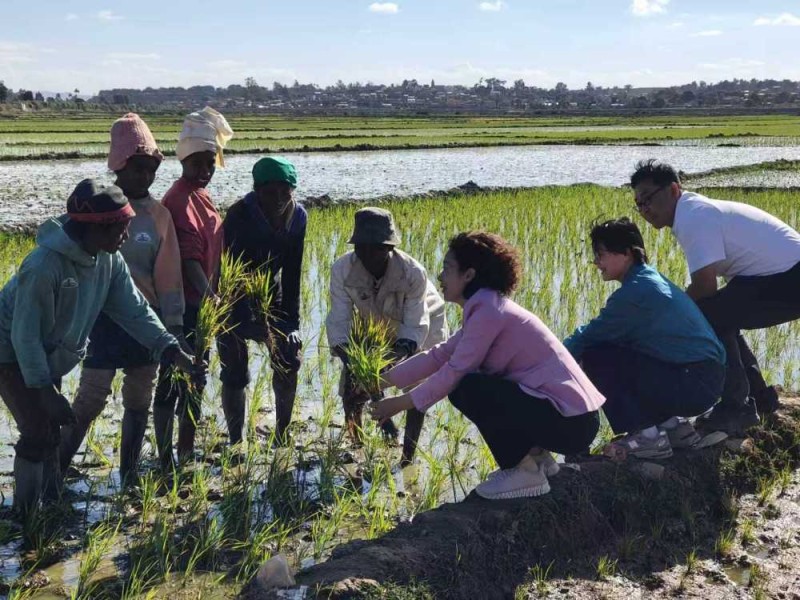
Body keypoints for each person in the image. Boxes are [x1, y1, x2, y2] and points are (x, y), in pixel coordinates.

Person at [0, 179, 196, 518]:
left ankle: (49, 502)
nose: (126, 235)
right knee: (36, 429)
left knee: (49, 430)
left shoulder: (108, 261)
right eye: (121, 228)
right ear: (95, 228)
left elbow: (134, 310)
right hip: (9, 352)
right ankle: (24, 516)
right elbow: (25, 337)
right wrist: (45, 391)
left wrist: (170, 348)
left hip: (47, 355)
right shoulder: (44, 267)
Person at [369, 231, 604, 499]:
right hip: (574, 420)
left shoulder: (489, 312)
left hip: (571, 424)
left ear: (468, 275)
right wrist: (381, 380)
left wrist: (398, 404)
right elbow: (438, 355)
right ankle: (538, 461)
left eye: (447, 269)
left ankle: (524, 470)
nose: (441, 277)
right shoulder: (487, 309)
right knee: (476, 384)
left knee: (466, 386)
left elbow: (454, 371)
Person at [59, 113, 186, 488]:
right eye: (137, 168)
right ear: (119, 165)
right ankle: (58, 465)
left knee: (138, 398)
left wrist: (174, 326)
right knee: (91, 397)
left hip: (145, 321)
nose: (145, 177)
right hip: (101, 320)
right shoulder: (96, 209)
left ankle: (129, 472)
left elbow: (168, 275)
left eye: (151, 169)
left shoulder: (159, 216)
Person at [630, 159, 800, 434]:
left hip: (789, 278)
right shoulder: (695, 211)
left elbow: (704, 287)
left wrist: (672, 314)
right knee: (720, 314)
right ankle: (759, 398)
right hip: (781, 277)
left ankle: (737, 407)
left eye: (648, 198)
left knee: (708, 314)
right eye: (639, 204)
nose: (645, 209)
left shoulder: (694, 216)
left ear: (674, 189)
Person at [563, 218, 726, 459]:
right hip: (705, 379)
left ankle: (647, 437)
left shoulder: (636, 292)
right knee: (622, 351)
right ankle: (673, 427)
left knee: (597, 354)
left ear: (627, 253)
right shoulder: (648, 279)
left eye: (601, 254)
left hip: (693, 383)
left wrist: (553, 359)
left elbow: (588, 337)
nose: (597, 263)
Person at [326, 207, 447, 464]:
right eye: (362, 247)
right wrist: (355, 363)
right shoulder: (343, 270)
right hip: (373, 323)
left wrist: (390, 364)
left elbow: (414, 326)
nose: (369, 255)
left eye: (378, 248)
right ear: (355, 246)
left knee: (416, 392)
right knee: (351, 387)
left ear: (390, 248)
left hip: (423, 324)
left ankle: (407, 458)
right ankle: (357, 448)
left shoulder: (412, 273)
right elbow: (339, 321)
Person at [156, 107, 233, 468]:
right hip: (186, 307)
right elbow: (188, 259)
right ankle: (167, 457)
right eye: (197, 164)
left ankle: (184, 450)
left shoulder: (200, 194)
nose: (204, 172)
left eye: (210, 165)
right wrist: (211, 295)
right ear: (184, 160)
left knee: (196, 379)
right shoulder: (179, 200)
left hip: (202, 306)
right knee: (176, 381)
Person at [217, 157, 306, 447]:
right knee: (234, 365)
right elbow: (230, 272)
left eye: (285, 191)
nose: (279, 199)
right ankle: (236, 440)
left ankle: (282, 433)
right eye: (270, 192)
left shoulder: (298, 218)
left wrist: (290, 324)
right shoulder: (240, 216)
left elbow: (292, 274)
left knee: (289, 358)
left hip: (272, 289)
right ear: (257, 190)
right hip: (233, 294)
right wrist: (240, 321)